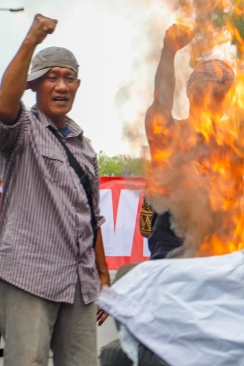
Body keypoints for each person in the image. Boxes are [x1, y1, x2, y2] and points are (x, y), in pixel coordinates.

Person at [0, 14, 109, 365]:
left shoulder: (85, 147)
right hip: (29, 275)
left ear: (78, 86)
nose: (61, 86)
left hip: (80, 281)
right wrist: (32, 38)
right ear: (34, 85)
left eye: (69, 78)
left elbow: (92, 218)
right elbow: (4, 107)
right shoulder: (24, 130)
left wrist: (103, 276)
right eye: (51, 78)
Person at [144, 23, 235, 259]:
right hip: (172, 252)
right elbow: (162, 101)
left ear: (226, 102)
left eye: (217, 95)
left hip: (221, 252)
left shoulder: (233, 145)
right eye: (202, 93)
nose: (209, 102)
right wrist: (169, 51)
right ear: (189, 94)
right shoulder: (170, 133)